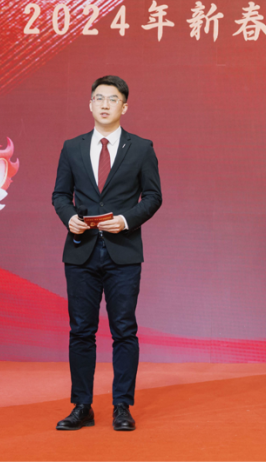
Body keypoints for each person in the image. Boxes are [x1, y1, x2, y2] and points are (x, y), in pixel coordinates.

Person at [51, 75, 162, 432]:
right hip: (80, 253)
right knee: (81, 331)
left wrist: (126, 220)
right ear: (90, 104)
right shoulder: (72, 147)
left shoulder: (141, 148)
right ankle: (82, 406)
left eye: (112, 99)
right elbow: (60, 195)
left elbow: (153, 197)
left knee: (124, 330)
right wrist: (70, 218)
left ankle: (122, 406)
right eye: (98, 98)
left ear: (124, 107)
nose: (104, 104)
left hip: (123, 253)